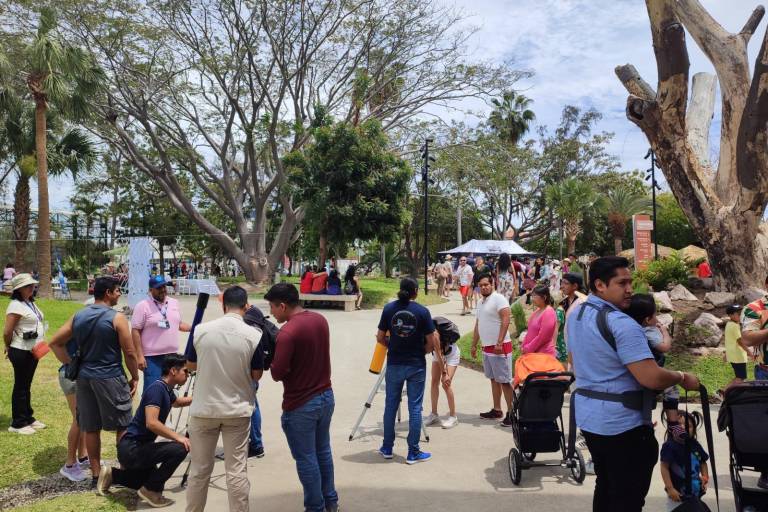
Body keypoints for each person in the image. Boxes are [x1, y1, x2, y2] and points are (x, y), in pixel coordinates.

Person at [567, 256, 700, 512]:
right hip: (623, 427)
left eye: (630, 282)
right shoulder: (622, 324)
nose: (630, 289)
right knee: (626, 499)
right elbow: (650, 376)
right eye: (622, 282)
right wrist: (682, 377)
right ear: (600, 285)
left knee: (605, 487)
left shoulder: (578, 313)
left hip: (591, 420)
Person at [49, 276, 139, 487]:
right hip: (110, 377)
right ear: (108, 293)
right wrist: (135, 376)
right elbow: (129, 352)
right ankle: (124, 472)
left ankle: (97, 475)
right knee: (123, 424)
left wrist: (72, 363)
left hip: (84, 378)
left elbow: (55, 342)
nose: (119, 294)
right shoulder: (117, 319)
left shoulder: (78, 315)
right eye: (117, 290)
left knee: (90, 427)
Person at [185, 286, 262, 512]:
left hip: (203, 409)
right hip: (237, 410)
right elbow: (257, 374)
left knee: (199, 470)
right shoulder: (253, 335)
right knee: (236, 471)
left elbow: (190, 365)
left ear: (223, 304)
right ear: (246, 306)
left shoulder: (201, 330)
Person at [265, 283, 339, 511]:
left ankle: (314, 507)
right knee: (323, 452)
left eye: (272, 307)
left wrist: (271, 354)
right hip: (325, 396)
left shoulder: (287, 333)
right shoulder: (319, 320)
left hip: (301, 404)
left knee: (307, 459)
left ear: (283, 305)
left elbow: (277, 373)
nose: (271, 312)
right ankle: (330, 501)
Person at [97, 354, 192, 507]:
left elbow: (178, 402)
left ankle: (113, 475)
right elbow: (152, 423)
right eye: (185, 371)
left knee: (145, 481)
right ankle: (151, 491)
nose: (188, 375)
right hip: (132, 448)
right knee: (181, 448)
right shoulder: (157, 389)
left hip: (138, 447)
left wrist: (199, 398)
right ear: (173, 371)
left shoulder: (166, 390)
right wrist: (178, 437)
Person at [375, 278, 438, 464]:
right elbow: (431, 341)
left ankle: (387, 447)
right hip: (416, 364)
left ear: (400, 290)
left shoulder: (389, 309)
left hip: (394, 363)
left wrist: (391, 344)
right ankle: (413, 452)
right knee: (415, 408)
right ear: (416, 292)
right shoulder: (422, 311)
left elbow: (379, 337)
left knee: (390, 406)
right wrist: (423, 351)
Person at [625, 294, 681, 438]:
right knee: (672, 388)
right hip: (651, 373)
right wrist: (664, 332)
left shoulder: (628, 329)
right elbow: (665, 347)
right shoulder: (649, 331)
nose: (657, 319)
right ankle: (673, 423)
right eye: (655, 315)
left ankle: (647, 421)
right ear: (647, 319)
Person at [132, 275, 191, 394]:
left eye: (164, 286)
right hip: (152, 359)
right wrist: (139, 355)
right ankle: (146, 413)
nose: (163, 290)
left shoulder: (174, 303)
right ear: (150, 290)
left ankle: (164, 412)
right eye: (159, 288)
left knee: (169, 393)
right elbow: (135, 331)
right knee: (153, 392)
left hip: (172, 357)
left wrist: (194, 328)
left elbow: (178, 324)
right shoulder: (143, 306)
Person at [3, 273, 46, 434]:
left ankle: (28, 417)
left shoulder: (29, 302)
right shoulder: (15, 305)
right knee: (20, 385)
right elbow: (7, 331)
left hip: (32, 350)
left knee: (26, 385)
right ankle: (18, 423)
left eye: (33, 285)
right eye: (29, 286)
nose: (32, 287)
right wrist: (8, 346)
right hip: (20, 350)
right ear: (19, 289)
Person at [49, 317, 89, 481]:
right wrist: (71, 364)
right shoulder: (78, 324)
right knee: (79, 419)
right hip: (71, 377)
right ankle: (70, 465)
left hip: (82, 376)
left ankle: (83, 456)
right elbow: (53, 343)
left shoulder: (88, 326)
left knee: (84, 418)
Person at [471, 273, 513, 427]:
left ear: (492, 283)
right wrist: (474, 344)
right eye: (481, 285)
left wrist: (500, 342)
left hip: (500, 347)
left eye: (486, 284)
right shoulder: (481, 302)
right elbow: (478, 323)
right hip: (486, 347)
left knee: (504, 381)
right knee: (493, 379)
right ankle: (497, 410)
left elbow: (506, 319)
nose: (483, 287)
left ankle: (512, 413)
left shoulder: (499, 298)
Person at [659, 411, 710, 510]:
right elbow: (664, 467)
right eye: (678, 425)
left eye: (688, 426)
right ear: (671, 428)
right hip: (677, 495)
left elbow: (703, 462)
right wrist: (670, 488)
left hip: (695, 493)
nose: (683, 428)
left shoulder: (694, 444)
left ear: (694, 430)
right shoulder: (670, 446)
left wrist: (705, 477)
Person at [424, 318, 459, 429]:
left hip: (451, 354)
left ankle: (453, 417)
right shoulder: (422, 331)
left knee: (446, 383)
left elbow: (440, 356)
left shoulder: (434, 335)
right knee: (434, 382)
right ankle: (434, 414)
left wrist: (444, 374)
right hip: (438, 353)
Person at [522, 285, 557, 357]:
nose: (532, 299)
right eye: (532, 296)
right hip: (532, 352)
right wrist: (523, 345)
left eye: (535, 296)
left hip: (543, 354)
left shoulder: (549, 312)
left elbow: (542, 337)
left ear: (544, 297)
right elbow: (530, 331)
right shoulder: (538, 310)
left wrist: (528, 348)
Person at [723, 304, 749, 389]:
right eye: (738, 314)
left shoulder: (729, 324)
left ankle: (723, 391)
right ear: (730, 315)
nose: (740, 315)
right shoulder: (734, 326)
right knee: (741, 378)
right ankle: (724, 392)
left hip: (733, 355)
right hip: (738, 356)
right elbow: (740, 341)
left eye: (741, 313)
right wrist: (749, 352)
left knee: (739, 377)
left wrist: (726, 354)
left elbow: (729, 340)